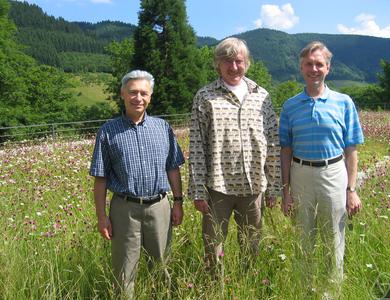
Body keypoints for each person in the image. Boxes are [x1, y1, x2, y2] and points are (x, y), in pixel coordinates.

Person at [189, 37, 281, 275]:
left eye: (238, 61)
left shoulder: (262, 96)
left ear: (247, 63)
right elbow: (197, 146)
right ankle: (214, 288)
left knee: (252, 246)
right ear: (217, 64)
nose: (233, 67)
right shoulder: (205, 96)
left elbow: (272, 143)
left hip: (254, 187)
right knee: (213, 247)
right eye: (227, 61)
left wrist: (274, 187)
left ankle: (248, 286)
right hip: (217, 188)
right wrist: (198, 190)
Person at [89, 70, 185, 298]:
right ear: (123, 94)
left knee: (161, 266)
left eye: (143, 93)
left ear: (150, 96)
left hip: (159, 206)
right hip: (124, 209)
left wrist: (178, 202)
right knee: (124, 271)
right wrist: (102, 217)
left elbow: (173, 167)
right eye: (133, 92)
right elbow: (100, 178)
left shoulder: (163, 128)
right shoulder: (108, 131)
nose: (138, 98)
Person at [279, 41, 364, 294]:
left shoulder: (344, 102)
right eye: (308, 64)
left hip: (333, 173)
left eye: (319, 64)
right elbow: (285, 150)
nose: (313, 68)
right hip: (300, 173)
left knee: (334, 238)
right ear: (301, 68)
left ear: (328, 68)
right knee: (303, 237)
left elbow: (351, 149)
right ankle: (305, 289)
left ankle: (332, 292)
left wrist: (351, 189)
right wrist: (286, 191)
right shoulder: (290, 105)